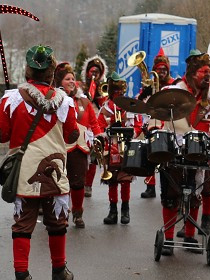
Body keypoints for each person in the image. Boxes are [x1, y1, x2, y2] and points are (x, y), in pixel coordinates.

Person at [0, 45, 80, 280]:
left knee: (23, 225)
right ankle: (58, 273)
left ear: (28, 70)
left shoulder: (11, 99)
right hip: (54, 170)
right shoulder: (66, 102)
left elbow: (1, 134)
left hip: (24, 171)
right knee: (57, 223)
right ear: (52, 73)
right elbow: (72, 134)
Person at [153, 48, 210, 254]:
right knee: (171, 194)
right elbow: (159, 115)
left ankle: (189, 235)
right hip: (175, 148)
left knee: (195, 194)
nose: (208, 75)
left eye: (209, 71)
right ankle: (167, 239)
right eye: (204, 71)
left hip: (200, 150)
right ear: (193, 74)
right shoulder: (176, 91)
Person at [94, 71, 144, 225]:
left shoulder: (131, 105)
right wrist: (107, 132)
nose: (118, 94)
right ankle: (112, 211)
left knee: (126, 179)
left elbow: (138, 124)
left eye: (120, 91)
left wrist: (131, 134)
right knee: (112, 179)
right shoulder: (106, 107)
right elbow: (98, 126)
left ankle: (125, 210)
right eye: (116, 91)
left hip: (127, 145)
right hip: (111, 147)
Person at [54, 61, 98, 229]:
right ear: (59, 82)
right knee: (59, 183)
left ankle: (77, 214)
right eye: (67, 79)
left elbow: (94, 123)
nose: (72, 81)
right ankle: (61, 213)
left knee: (78, 183)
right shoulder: (53, 99)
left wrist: (98, 135)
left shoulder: (84, 102)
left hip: (79, 147)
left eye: (73, 78)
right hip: (58, 146)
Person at [139, 49, 175, 200]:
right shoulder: (151, 84)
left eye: (164, 69)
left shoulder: (174, 84)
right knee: (150, 152)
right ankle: (150, 185)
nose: (161, 72)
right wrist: (145, 93)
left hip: (168, 122)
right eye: (158, 69)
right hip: (153, 121)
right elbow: (141, 105)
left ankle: (168, 186)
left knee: (167, 156)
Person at [81, 55, 108, 198]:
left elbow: (105, 106)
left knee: (93, 157)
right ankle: (78, 181)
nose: (94, 75)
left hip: (95, 125)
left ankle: (88, 185)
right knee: (79, 156)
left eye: (96, 73)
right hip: (82, 124)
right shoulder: (80, 87)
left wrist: (98, 94)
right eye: (92, 72)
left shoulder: (103, 89)